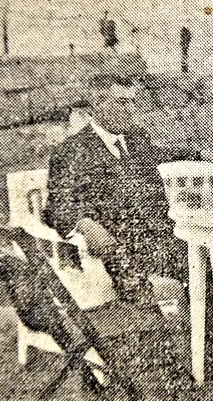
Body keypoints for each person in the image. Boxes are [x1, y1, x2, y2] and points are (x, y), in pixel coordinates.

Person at [44, 75, 194, 308]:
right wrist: (85, 224)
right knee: (144, 289)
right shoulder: (71, 150)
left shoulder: (136, 138)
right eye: (121, 103)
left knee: (210, 260)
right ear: (95, 107)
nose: (130, 109)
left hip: (159, 238)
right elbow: (57, 207)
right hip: (116, 245)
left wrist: (200, 155)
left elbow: (160, 155)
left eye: (132, 102)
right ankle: (158, 325)